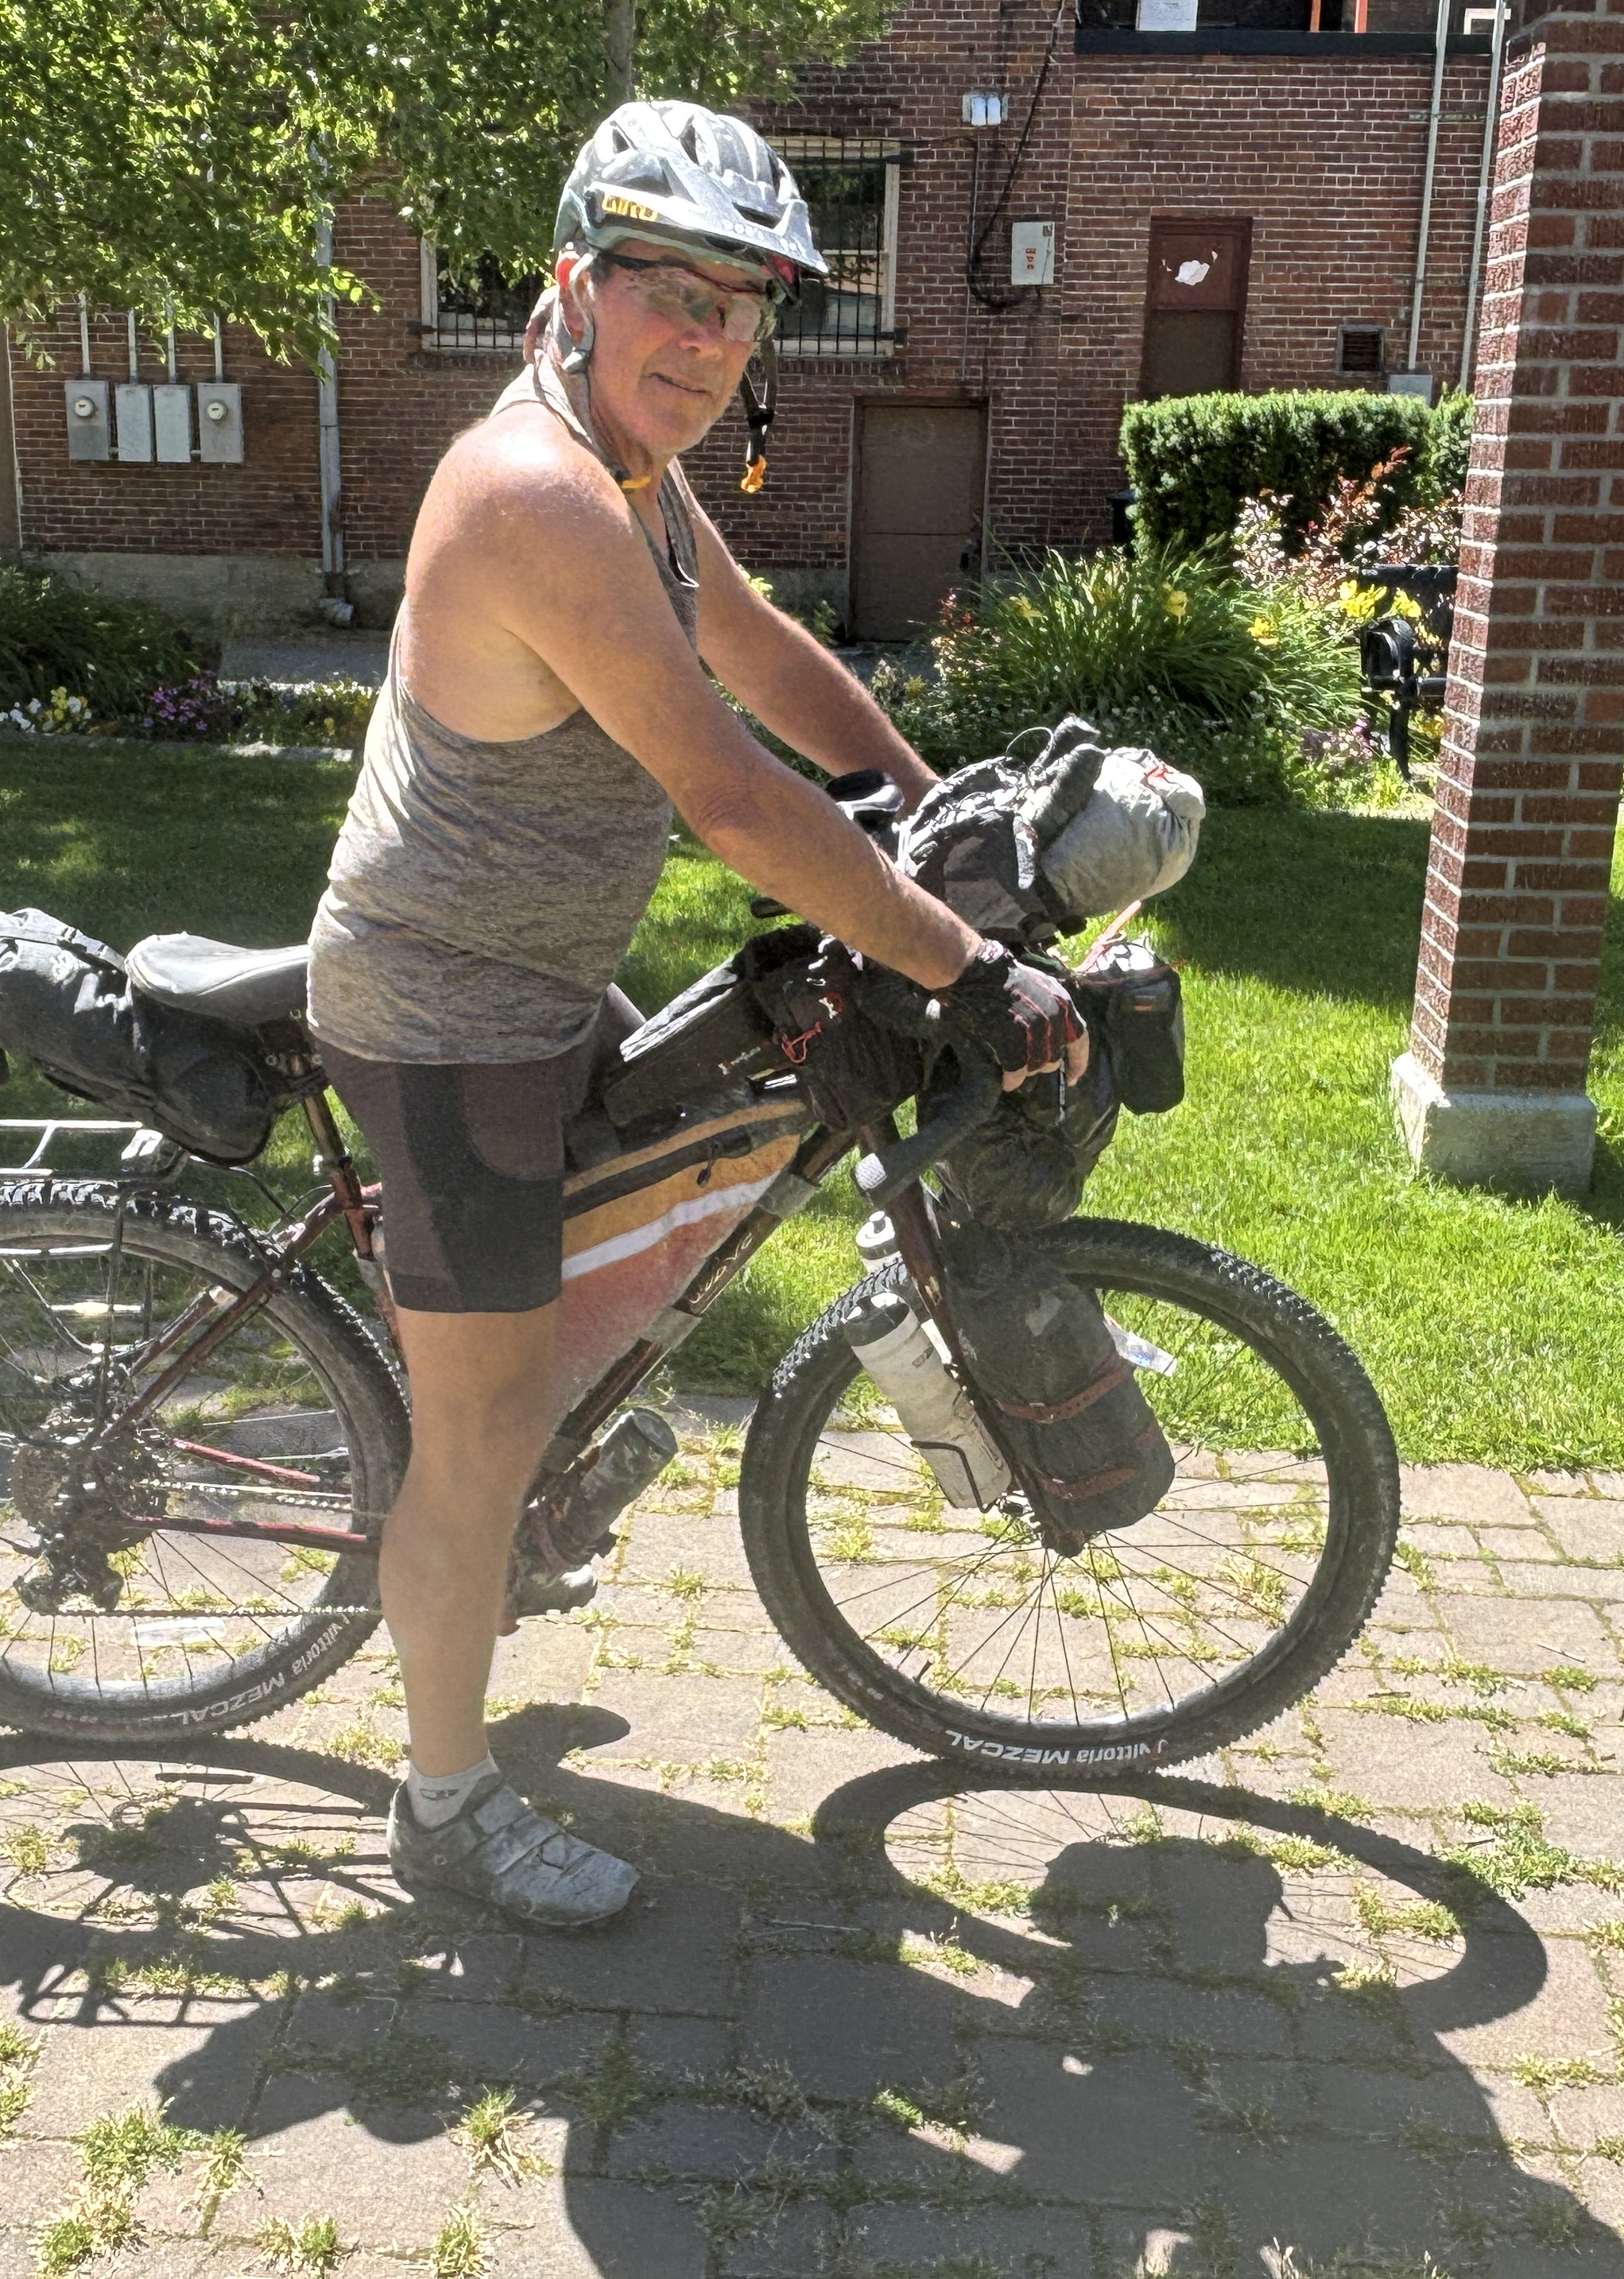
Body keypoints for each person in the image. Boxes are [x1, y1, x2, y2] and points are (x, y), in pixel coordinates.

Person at [303, 100, 1082, 1931]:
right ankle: (443, 1800)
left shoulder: (637, 485)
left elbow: (756, 649)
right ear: (577, 284)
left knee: (635, 1248)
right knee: (481, 1422)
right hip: (442, 1016)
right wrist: (962, 965)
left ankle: (528, 1493)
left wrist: (920, 791)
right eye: (672, 288)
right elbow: (730, 794)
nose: (712, 338)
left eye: (746, 306)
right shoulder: (537, 494)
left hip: (538, 982)